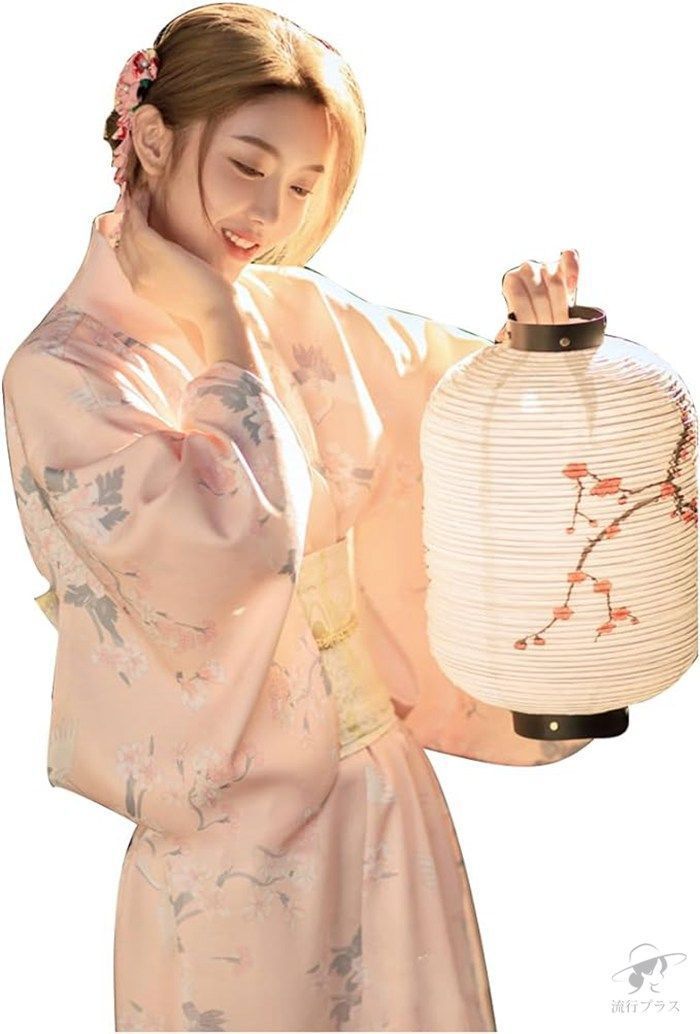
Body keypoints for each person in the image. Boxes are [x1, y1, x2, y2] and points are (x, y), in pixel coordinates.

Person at [1, 4, 593, 1031]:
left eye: (304, 185)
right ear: (151, 137)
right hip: (225, 845)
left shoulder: (292, 308)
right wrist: (217, 321)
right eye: (247, 165)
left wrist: (532, 348)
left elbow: (446, 408)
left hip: (383, 797)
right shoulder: (63, 374)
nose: (269, 213)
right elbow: (240, 543)